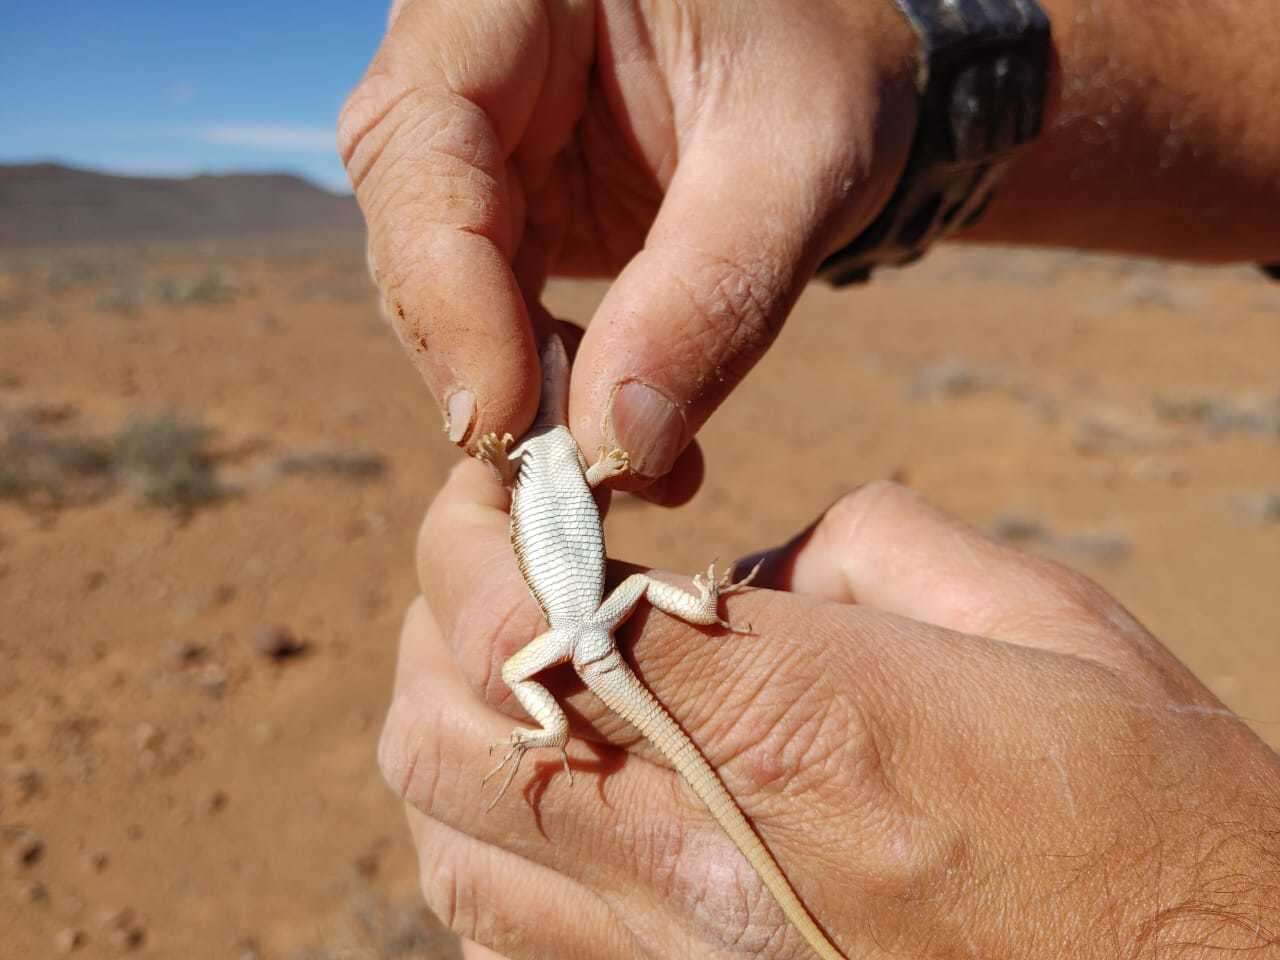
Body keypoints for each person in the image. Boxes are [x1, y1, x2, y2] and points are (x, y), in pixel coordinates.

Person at [340, 2, 1280, 957]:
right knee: (527, 655)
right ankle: (549, 728)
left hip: (581, 626)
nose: (547, 368)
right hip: (596, 614)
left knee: (519, 659)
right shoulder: (551, 451)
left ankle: (550, 726)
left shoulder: (541, 448)